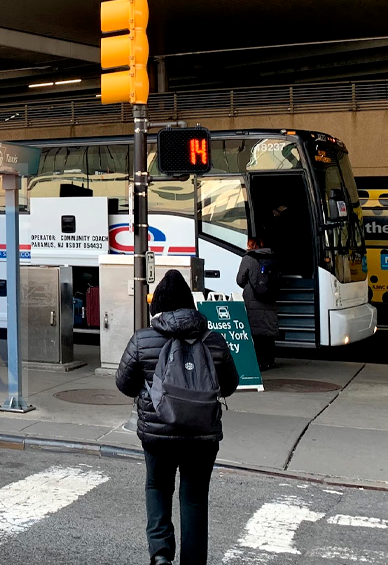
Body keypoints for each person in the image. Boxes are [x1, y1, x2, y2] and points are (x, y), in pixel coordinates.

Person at [115, 270, 239, 565]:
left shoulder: (142, 340)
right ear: (190, 306)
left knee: (157, 487)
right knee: (194, 499)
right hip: (202, 436)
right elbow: (230, 385)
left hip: (158, 434)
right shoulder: (215, 341)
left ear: (156, 308)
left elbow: (123, 383)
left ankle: (160, 556)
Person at [236, 237, 280, 370]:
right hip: (270, 298)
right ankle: (270, 360)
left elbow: (240, 280)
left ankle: (260, 361)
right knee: (268, 329)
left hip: (253, 299)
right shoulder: (272, 257)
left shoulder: (248, 258)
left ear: (251, 245)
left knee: (256, 331)